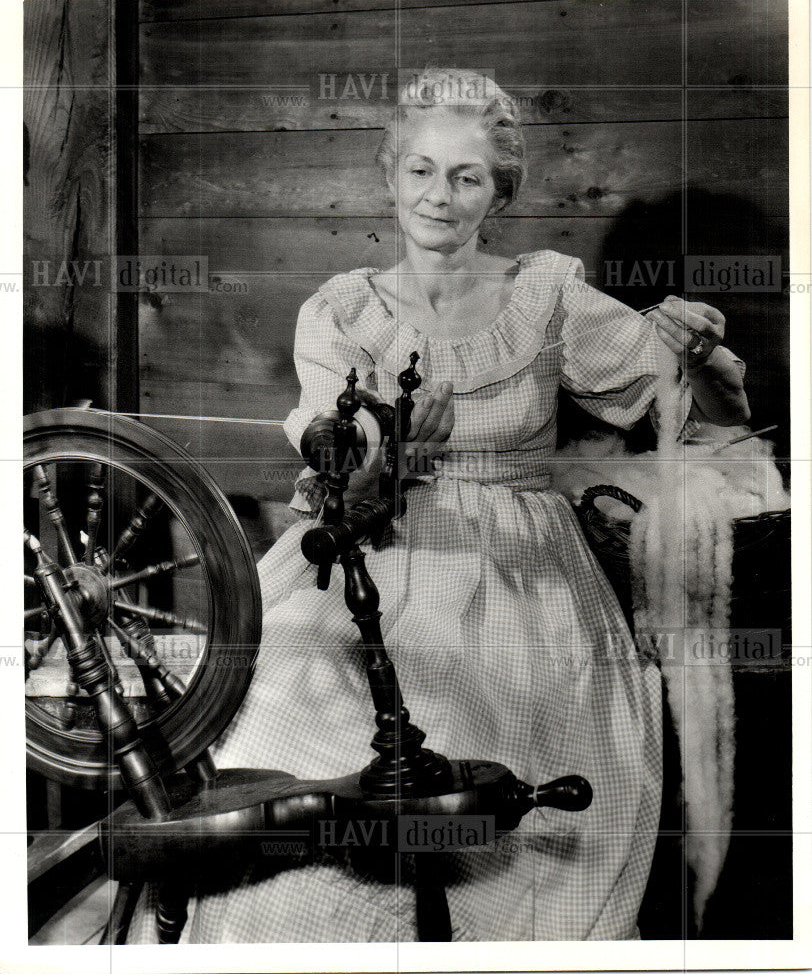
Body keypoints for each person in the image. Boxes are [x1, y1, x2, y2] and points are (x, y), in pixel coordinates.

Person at [128, 68, 749, 943]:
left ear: (500, 193)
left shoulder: (549, 294)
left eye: (466, 177)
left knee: (479, 765)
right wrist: (385, 466)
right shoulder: (342, 311)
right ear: (390, 176)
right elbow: (330, 460)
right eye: (421, 171)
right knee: (292, 737)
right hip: (358, 561)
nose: (440, 196)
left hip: (522, 575)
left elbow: (703, 409)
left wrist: (706, 356)